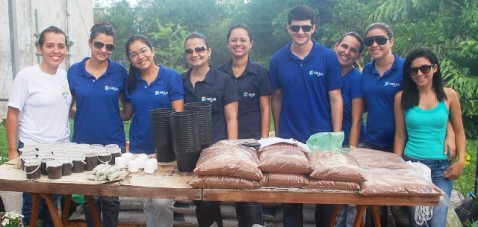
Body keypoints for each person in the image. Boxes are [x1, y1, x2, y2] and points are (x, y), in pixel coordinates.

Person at [269, 5, 343, 227]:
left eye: (305, 27)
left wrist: (336, 136)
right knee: (291, 196)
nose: (300, 32)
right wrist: (280, 132)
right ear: (288, 28)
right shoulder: (277, 59)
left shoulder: (328, 57)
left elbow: (336, 98)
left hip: (322, 138)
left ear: (314, 28)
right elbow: (277, 97)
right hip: (290, 138)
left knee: (324, 196)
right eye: (295, 27)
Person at [6, 25, 71, 227]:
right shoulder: (27, 76)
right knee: (32, 202)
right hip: (33, 148)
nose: (56, 51)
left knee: (54, 200)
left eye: (61, 46)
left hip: (61, 148)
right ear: (39, 48)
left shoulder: (65, 76)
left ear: (66, 49)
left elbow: (64, 106)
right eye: (50, 45)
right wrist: (12, 151)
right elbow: (12, 113)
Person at [393, 47, 465, 227]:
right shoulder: (402, 97)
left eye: (424, 68)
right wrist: (396, 165)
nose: (419, 73)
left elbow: (460, 130)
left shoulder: (449, 95)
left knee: (437, 222)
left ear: (435, 68)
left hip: (442, 168)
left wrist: (461, 161)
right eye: (413, 70)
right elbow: (400, 135)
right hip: (414, 166)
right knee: (419, 222)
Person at [67, 22, 127, 227]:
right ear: (90, 43)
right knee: (90, 195)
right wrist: (83, 114)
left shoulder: (120, 72)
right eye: (99, 44)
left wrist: (112, 115)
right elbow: (67, 105)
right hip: (84, 143)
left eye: (109, 47)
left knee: (110, 197)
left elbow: (127, 109)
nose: (103, 50)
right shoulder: (74, 72)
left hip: (112, 142)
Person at [122, 34, 184, 227]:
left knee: (162, 201)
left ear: (152, 50)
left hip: (166, 151)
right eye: (134, 54)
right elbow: (127, 114)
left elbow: (178, 113)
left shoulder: (170, 76)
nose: (140, 56)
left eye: (143, 50)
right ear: (130, 59)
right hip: (140, 148)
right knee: (148, 201)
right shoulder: (131, 82)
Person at [182, 32, 239, 227]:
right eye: (189, 51)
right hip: (189, 152)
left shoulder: (223, 81)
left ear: (209, 52)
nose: (194, 54)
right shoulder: (180, 82)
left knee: (210, 201)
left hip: (215, 151)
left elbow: (232, 118)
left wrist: (231, 150)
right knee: (199, 200)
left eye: (199, 49)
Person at [218, 23, 271, 227]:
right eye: (234, 40)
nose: (238, 44)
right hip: (228, 139)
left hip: (252, 138)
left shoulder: (260, 72)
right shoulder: (220, 73)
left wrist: (264, 139)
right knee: (236, 188)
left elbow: (265, 108)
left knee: (250, 190)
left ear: (251, 43)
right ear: (227, 43)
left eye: (243, 40)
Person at [333, 32, 365, 227]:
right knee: (335, 193)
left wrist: (351, 148)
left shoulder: (356, 79)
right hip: (327, 142)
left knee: (351, 198)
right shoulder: (327, 70)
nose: (347, 52)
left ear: (357, 56)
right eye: (344, 46)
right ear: (336, 45)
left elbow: (357, 119)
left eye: (353, 50)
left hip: (348, 141)